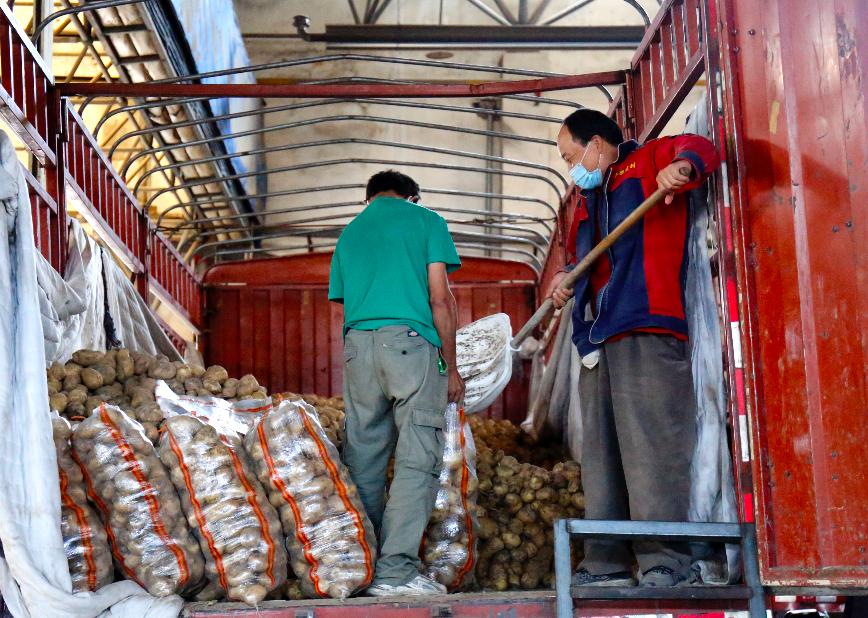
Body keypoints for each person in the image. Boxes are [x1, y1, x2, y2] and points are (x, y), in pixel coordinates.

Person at [549, 109, 720, 587]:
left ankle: (664, 558)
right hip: (596, 335)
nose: (571, 167)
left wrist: (681, 168)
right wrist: (564, 278)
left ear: (597, 144)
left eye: (571, 156)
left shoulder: (646, 162)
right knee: (600, 453)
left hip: (646, 321)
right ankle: (604, 562)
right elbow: (575, 259)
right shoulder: (584, 199)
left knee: (651, 447)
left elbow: (701, 148)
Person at [328, 169, 465, 596]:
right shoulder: (425, 221)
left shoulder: (349, 234)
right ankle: (396, 572)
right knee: (417, 456)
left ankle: (361, 567)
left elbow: (346, 303)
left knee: (363, 456)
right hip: (409, 344)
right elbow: (439, 298)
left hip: (357, 348)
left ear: (368, 199)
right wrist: (451, 364)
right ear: (411, 196)